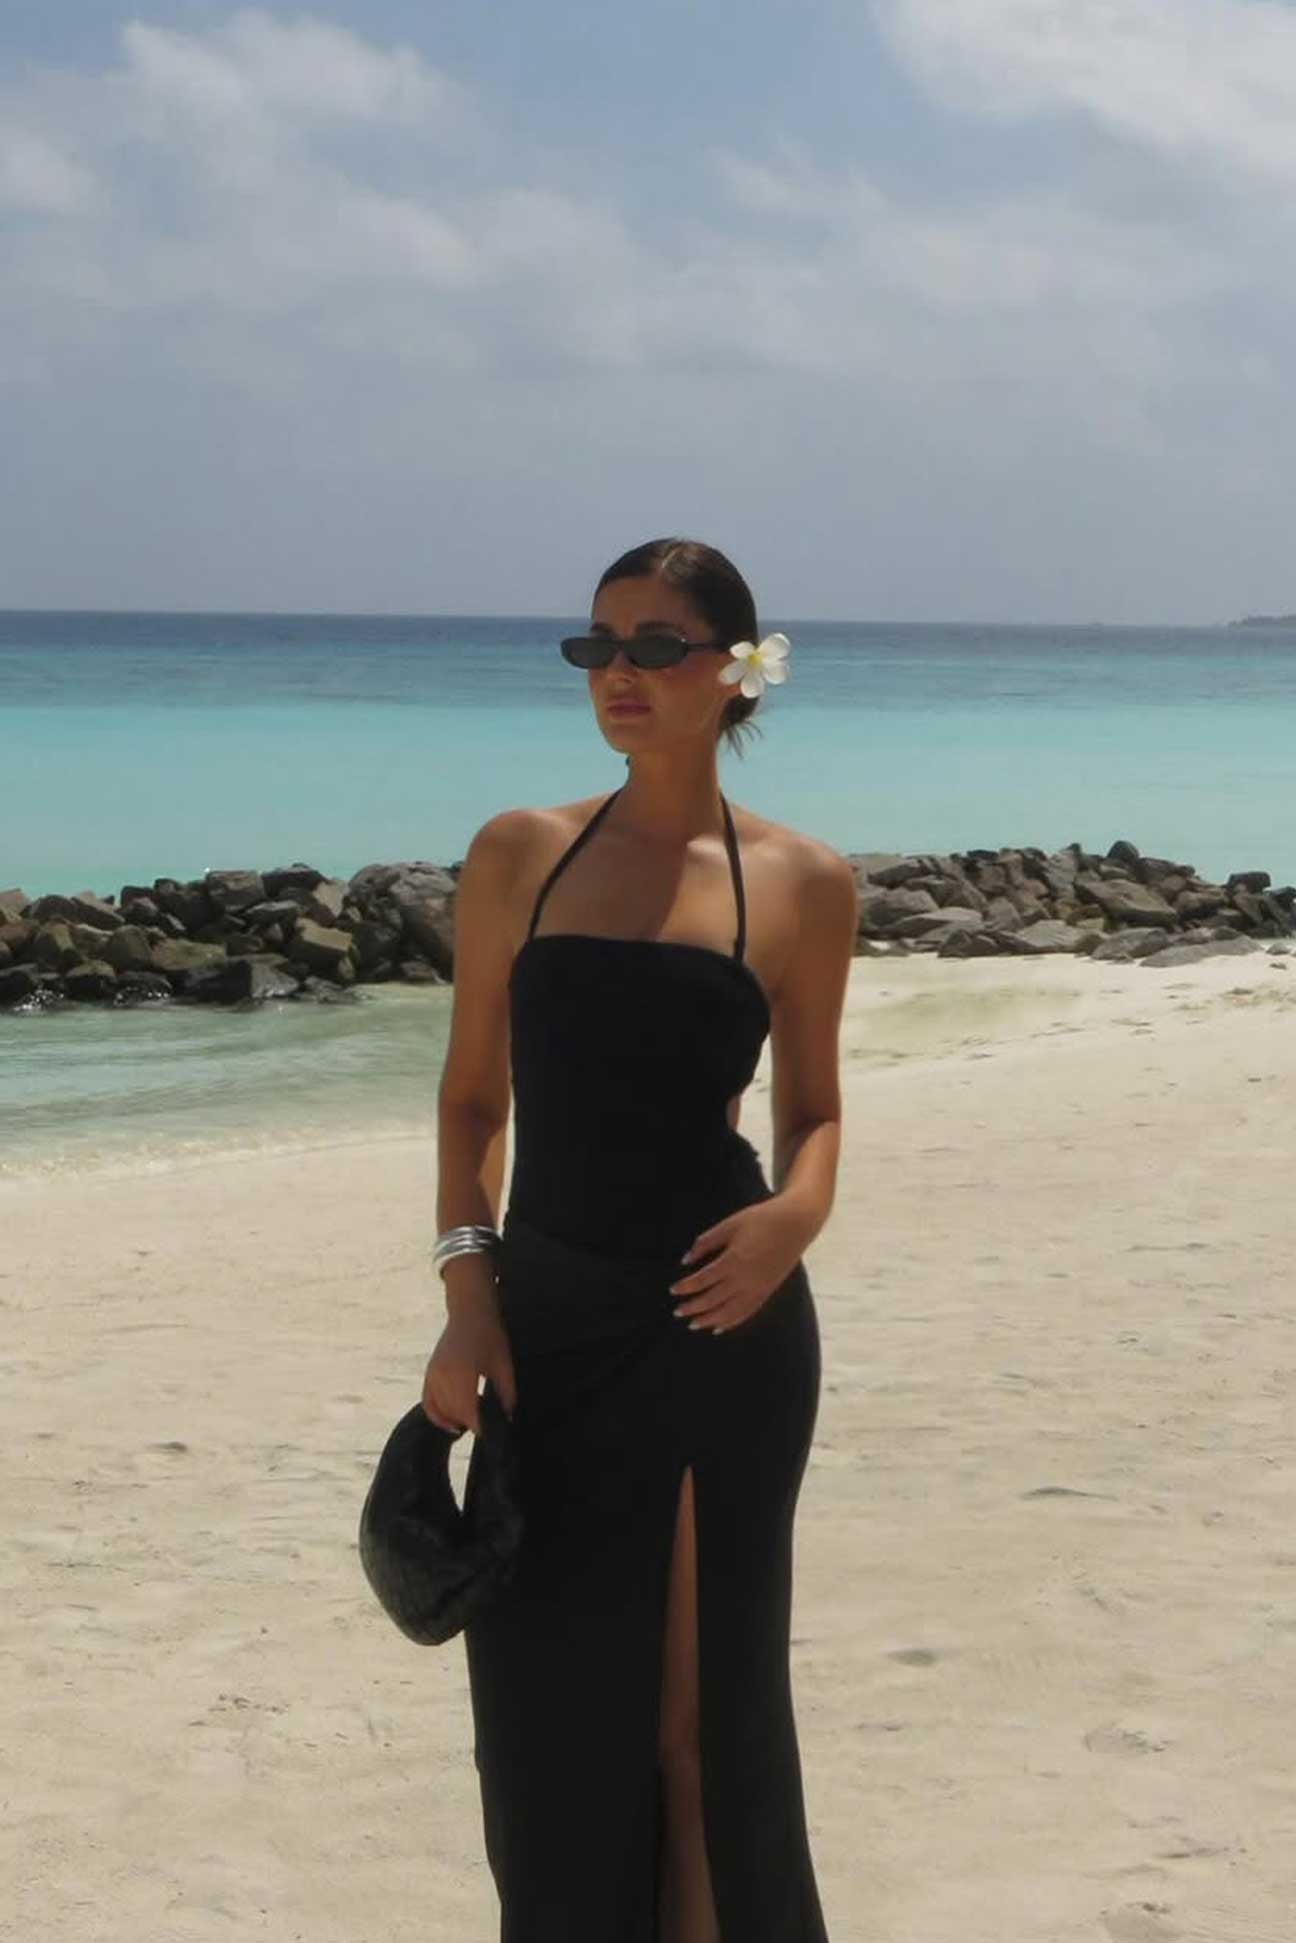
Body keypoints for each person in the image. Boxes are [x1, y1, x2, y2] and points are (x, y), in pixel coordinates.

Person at [423, 536, 857, 1942]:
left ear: (735, 671)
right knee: (548, 1726)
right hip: (543, 1324)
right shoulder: (520, 854)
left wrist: (796, 1218)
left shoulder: (804, 881)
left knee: (698, 1719)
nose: (619, 674)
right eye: (599, 646)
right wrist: (466, 1294)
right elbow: (473, 1101)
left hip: (717, 1322)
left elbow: (814, 1112)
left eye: (655, 647)